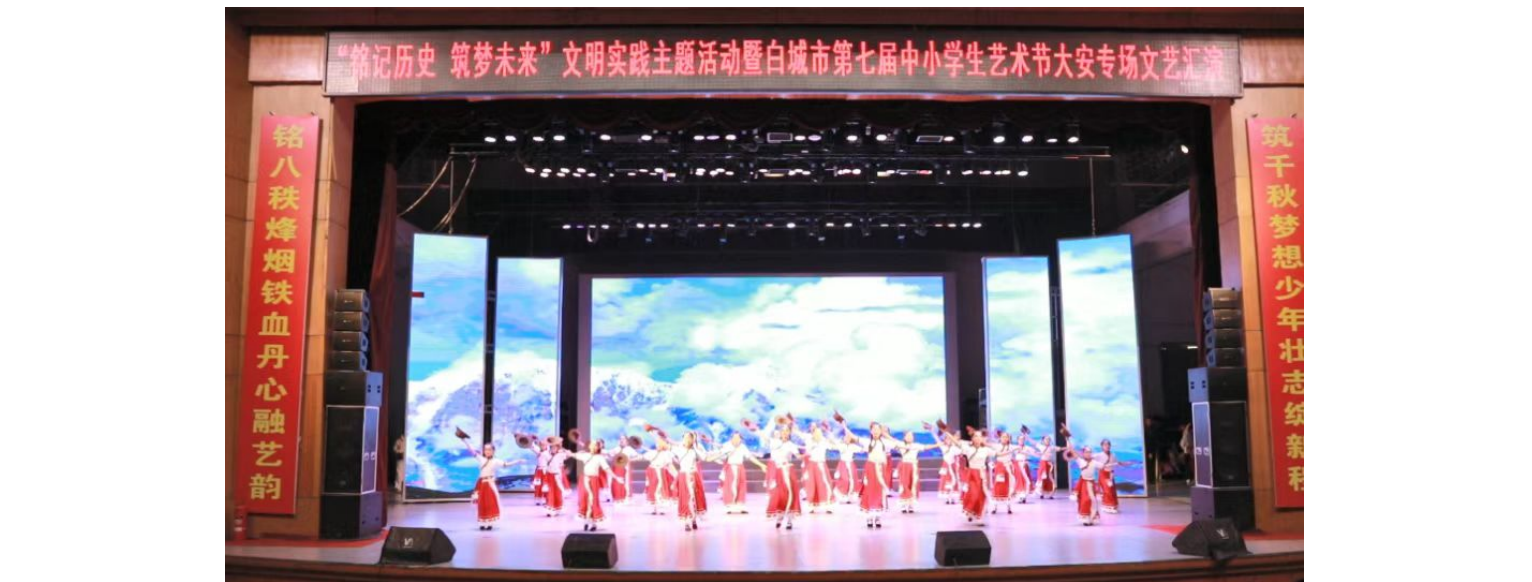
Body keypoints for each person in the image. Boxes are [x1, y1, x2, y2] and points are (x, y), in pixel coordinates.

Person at [840, 418, 901, 528]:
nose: (876, 431)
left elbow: (898, 444)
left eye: (878, 429)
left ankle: (877, 517)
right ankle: (868, 516)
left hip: (880, 470)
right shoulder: (867, 442)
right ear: (871, 431)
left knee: (879, 491)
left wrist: (886, 435)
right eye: (874, 429)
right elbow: (853, 436)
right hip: (870, 469)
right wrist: (844, 426)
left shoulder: (885, 443)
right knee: (868, 491)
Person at [458, 431, 523, 530]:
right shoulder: (481, 459)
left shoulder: (496, 461)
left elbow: (506, 465)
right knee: (481, 504)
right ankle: (482, 522)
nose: (487, 451)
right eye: (486, 449)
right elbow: (471, 450)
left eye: (489, 450)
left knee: (489, 503)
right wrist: (464, 440)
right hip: (481, 484)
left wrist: (517, 461)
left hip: (489, 485)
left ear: (493, 451)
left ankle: (490, 523)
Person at [710, 432, 766, 514]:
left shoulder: (742, 447)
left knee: (741, 485)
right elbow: (720, 454)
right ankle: (730, 504)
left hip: (740, 468)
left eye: (738, 438)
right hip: (731, 467)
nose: (736, 439)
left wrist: (761, 465)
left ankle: (739, 504)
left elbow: (750, 457)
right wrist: (711, 458)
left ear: (741, 439)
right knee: (731, 486)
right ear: (731, 438)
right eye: (734, 438)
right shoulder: (727, 446)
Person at [669, 431, 711, 531]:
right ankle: (687, 522)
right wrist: (654, 432)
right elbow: (666, 444)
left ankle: (694, 520)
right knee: (685, 498)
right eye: (685, 438)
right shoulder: (678, 449)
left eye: (689, 438)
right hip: (684, 476)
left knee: (694, 497)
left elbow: (705, 457)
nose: (687, 440)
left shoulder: (695, 450)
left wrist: (696, 447)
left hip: (693, 476)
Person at [765, 423, 805, 529]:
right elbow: (765, 438)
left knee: (790, 494)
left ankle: (789, 520)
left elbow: (798, 456)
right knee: (778, 494)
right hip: (778, 471)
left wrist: (805, 454)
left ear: (789, 433)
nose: (784, 433)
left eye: (787, 431)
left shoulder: (791, 445)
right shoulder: (774, 443)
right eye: (783, 431)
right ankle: (780, 517)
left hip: (788, 470)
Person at [792, 422, 836, 513]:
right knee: (811, 485)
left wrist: (829, 432)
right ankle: (812, 506)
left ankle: (828, 506)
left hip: (821, 465)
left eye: (818, 432)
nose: (816, 433)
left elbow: (833, 445)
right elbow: (798, 433)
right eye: (815, 431)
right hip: (811, 465)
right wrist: (793, 425)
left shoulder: (824, 441)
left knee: (824, 484)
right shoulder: (808, 438)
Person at [955, 429, 996, 525]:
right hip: (972, 474)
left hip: (982, 474)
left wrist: (1012, 450)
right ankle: (969, 511)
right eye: (976, 436)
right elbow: (956, 443)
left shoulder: (986, 449)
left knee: (981, 496)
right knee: (973, 494)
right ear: (972, 438)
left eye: (980, 436)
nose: (978, 438)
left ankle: (979, 517)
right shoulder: (968, 448)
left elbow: (998, 453)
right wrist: (946, 432)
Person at [1062, 438, 1103, 526]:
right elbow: (1072, 450)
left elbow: (1103, 466)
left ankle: (1091, 518)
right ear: (1083, 453)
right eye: (1086, 452)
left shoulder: (1094, 462)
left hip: (1091, 484)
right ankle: (1085, 518)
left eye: (1090, 452)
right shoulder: (1081, 461)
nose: (1088, 454)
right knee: (1085, 500)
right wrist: (1068, 439)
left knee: (1093, 501)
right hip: (1084, 483)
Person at [895, 431, 938, 513]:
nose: (909, 437)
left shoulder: (916, 445)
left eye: (911, 436)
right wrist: (884, 433)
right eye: (908, 435)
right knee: (904, 484)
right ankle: (903, 504)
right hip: (904, 466)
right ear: (904, 437)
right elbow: (891, 439)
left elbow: (926, 447)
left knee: (913, 484)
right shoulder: (901, 444)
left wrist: (938, 445)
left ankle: (911, 504)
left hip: (913, 466)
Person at [640, 429, 677, 515]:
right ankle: (654, 508)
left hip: (660, 472)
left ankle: (661, 508)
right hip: (652, 472)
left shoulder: (666, 454)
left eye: (660, 444)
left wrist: (676, 475)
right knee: (652, 489)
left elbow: (670, 465)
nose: (658, 445)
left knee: (660, 489)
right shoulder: (652, 453)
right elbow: (641, 457)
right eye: (657, 444)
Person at [986, 430, 1023, 514]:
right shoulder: (996, 445)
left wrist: (1020, 446)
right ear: (1000, 438)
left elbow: (1020, 447)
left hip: (1008, 468)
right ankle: (995, 506)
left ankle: (1009, 507)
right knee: (998, 485)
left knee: (1009, 486)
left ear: (1009, 438)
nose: (1005, 438)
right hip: (1000, 467)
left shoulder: (1011, 447)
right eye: (1003, 437)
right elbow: (987, 444)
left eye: (1006, 437)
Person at [831, 426, 861, 505]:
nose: (847, 438)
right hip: (843, 464)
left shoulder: (853, 446)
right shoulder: (841, 445)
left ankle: (850, 497)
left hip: (851, 464)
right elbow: (833, 442)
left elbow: (863, 448)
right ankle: (842, 496)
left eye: (848, 437)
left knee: (852, 481)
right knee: (845, 480)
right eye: (846, 437)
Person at [610, 436, 642, 505]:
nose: (621, 440)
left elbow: (639, 457)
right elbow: (609, 455)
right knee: (615, 482)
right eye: (620, 439)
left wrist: (629, 460)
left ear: (627, 441)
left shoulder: (629, 449)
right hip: (616, 468)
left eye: (623, 439)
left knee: (624, 482)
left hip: (625, 468)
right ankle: (616, 498)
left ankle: (624, 498)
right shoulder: (616, 449)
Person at [1097, 439, 1121, 514]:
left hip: (1110, 474)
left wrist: (1123, 463)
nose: (1107, 446)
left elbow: (1116, 463)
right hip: (1103, 474)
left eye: (1108, 444)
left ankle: (1112, 505)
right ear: (1102, 446)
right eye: (1105, 445)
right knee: (1107, 490)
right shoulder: (1099, 455)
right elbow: (1090, 459)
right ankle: (1108, 505)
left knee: (1112, 490)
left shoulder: (1113, 455)